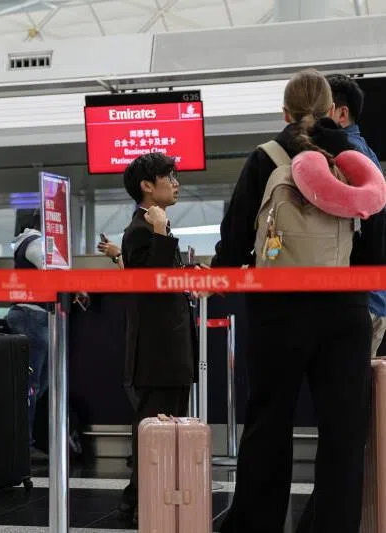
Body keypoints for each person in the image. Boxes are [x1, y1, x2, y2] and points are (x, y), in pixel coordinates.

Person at [211, 69, 386, 533]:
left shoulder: (265, 157)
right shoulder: (355, 162)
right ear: (334, 110)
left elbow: (232, 244)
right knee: (343, 431)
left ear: (285, 112)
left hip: (278, 309)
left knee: (269, 421)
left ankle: (255, 525)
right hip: (345, 310)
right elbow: (376, 249)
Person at [118, 152, 196, 524]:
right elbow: (155, 286)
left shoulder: (154, 227)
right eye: (170, 176)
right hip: (156, 355)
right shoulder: (139, 231)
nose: (177, 183)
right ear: (147, 186)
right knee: (153, 434)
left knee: (166, 431)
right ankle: (138, 504)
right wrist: (163, 231)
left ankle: (144, 501)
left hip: (171, 351)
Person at [327, 73, 386, 357]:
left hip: (363, 301)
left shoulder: (349, 155)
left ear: (341, 112)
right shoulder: (363, 152)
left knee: (353, 394)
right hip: (370, 296)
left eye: (320, 108)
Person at [6, 209, 49, 454]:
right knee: (31, 384)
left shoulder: (26, 243)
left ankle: (22, 438)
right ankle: (23, 443)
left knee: (36, 383)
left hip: (30, 315)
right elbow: (52, 271)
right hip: (31, 316)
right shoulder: (36, 244)